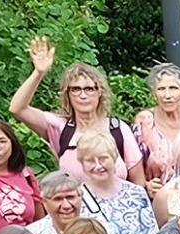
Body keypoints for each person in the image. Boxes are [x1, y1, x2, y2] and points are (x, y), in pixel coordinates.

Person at [8, 37, 143, 183]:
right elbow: (18, 109)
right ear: (67, 95)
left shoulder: (117, 129)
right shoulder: (60, 127)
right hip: (73, 204)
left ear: (100, 93)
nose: (83, 95)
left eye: (89, 89)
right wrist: (39, 72)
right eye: (76, 89)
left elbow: (138, 183)